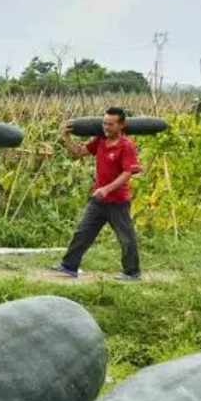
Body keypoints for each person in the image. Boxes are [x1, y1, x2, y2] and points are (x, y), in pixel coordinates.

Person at [53, 107, 142, 281]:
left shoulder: (126, 146)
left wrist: (107, 188)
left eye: (111, 124)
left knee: (126, 238)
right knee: (82, 232)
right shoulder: (100, 141)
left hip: (118, 201)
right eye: (104, 123)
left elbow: (127, 173)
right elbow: (78, 152)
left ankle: (132, 272)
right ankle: (69, 266)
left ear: (121, 125)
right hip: (99, 199)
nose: (106, 127)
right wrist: (66, 137)